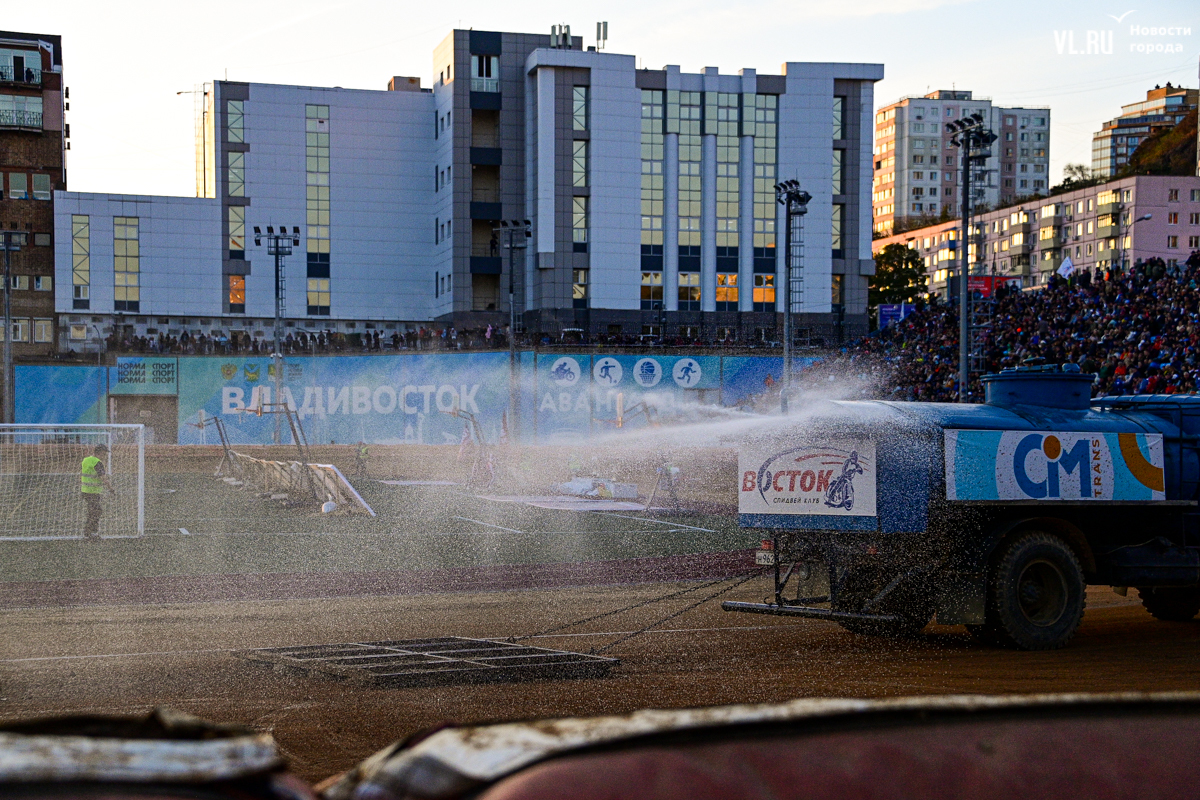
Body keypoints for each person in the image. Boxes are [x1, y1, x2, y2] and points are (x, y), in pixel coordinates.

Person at [81, 443, 115, 539]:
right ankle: (88, 533)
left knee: (94, 511)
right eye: (104, 453)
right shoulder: (97, 463)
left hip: (85, 490)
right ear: (101, 452)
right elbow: (103, 478)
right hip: (93, 492)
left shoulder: (86, 460)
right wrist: (111, 488)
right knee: (95, 511)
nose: (105, 456)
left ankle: (93, 532)